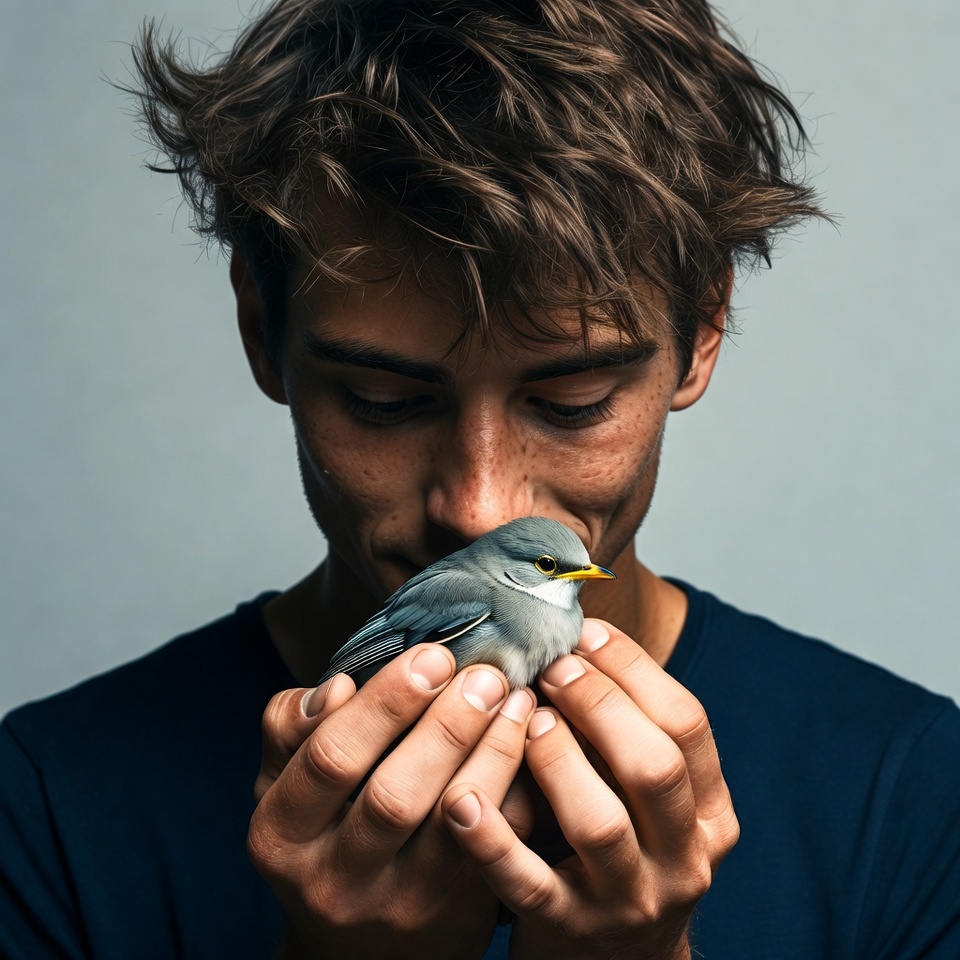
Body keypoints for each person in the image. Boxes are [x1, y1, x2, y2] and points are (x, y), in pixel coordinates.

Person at [2, 0, 959, 957]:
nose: (481, 510)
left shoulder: (914, 792)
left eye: (574, 401)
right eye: (384, 399)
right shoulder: (46, 806)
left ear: (703, 333)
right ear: (261, 329)